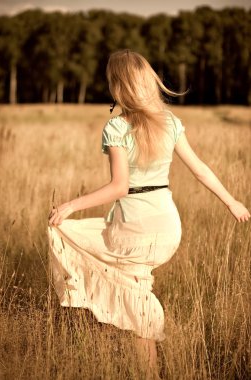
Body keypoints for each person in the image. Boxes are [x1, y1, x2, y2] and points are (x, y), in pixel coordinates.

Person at [48, 49, 250, 378]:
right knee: (131, 284)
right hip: (168, 229)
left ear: (118, 86)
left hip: (133, 231)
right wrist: (232, 202)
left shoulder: (116, 127)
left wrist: (71, 205)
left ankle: (147, 371)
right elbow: (200, 170)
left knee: (81, 244)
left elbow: (119, 188)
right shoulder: (169, 122)